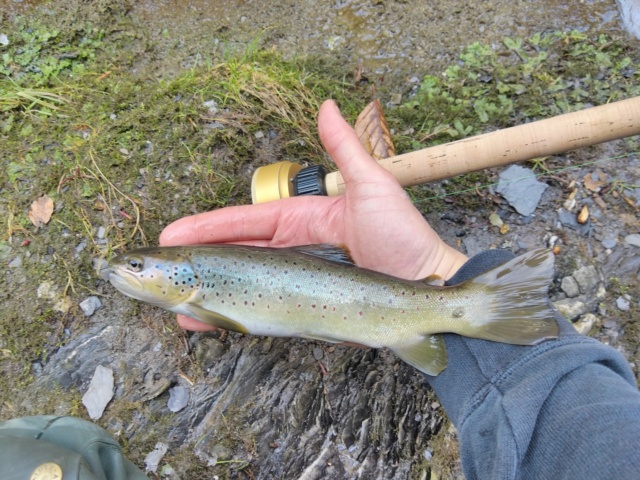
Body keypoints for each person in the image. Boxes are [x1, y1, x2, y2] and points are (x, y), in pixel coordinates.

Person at [160, 100, 640, 479]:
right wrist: (438, 267)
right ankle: (477, 307)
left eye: (137, 267)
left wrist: (435, 267)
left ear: (181, 276)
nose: (128, 273)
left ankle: (474, 306)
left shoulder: (200, 288)